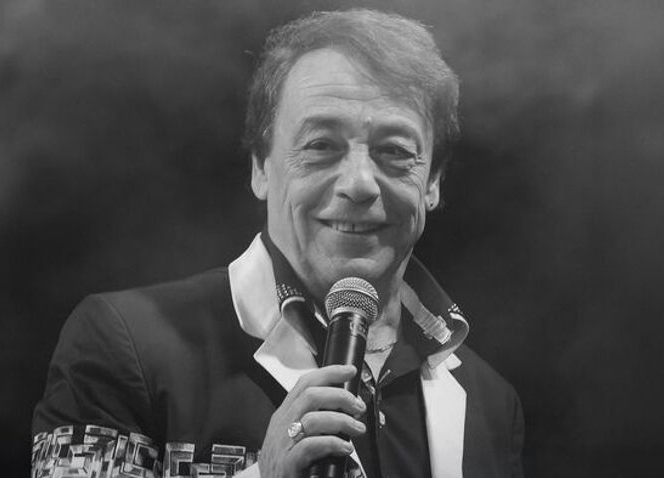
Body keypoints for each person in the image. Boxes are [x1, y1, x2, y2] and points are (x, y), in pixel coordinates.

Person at [32, 9, 524, 478]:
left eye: (395, 151)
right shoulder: (125, 345)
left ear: (433, 181)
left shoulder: (492, 404)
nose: (360, 183)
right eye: (321, 145)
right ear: (261, 168)